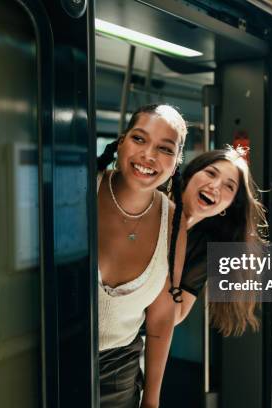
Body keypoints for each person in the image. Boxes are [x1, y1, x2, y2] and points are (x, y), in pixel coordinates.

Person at [96, 104, 187, 408]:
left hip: (118, 374)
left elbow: (161, 319)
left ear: (175, 164)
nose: (149, 155)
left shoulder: (174, 223)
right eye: (139, 139)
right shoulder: (81, 187)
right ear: (121, 142)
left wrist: (151, 400)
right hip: (49, 361)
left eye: (164, 148)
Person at [173, 147, 268, 336]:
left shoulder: (204, 247)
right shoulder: (153, 203)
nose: (215, 186)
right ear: (191, 173)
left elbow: (176, 315)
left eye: (229, 186)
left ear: (230, 205)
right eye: (210, 173)